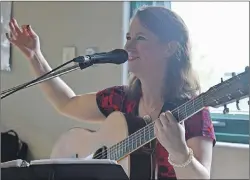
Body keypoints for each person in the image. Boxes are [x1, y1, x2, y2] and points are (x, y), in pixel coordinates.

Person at [6, 5, 216, 180]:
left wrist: (179, 151)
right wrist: (35, 56)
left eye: (140, 38)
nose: (128, 46)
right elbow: (66, 103)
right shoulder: (122, 98)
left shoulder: (192, 111)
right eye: (128, 37)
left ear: (169, 48)